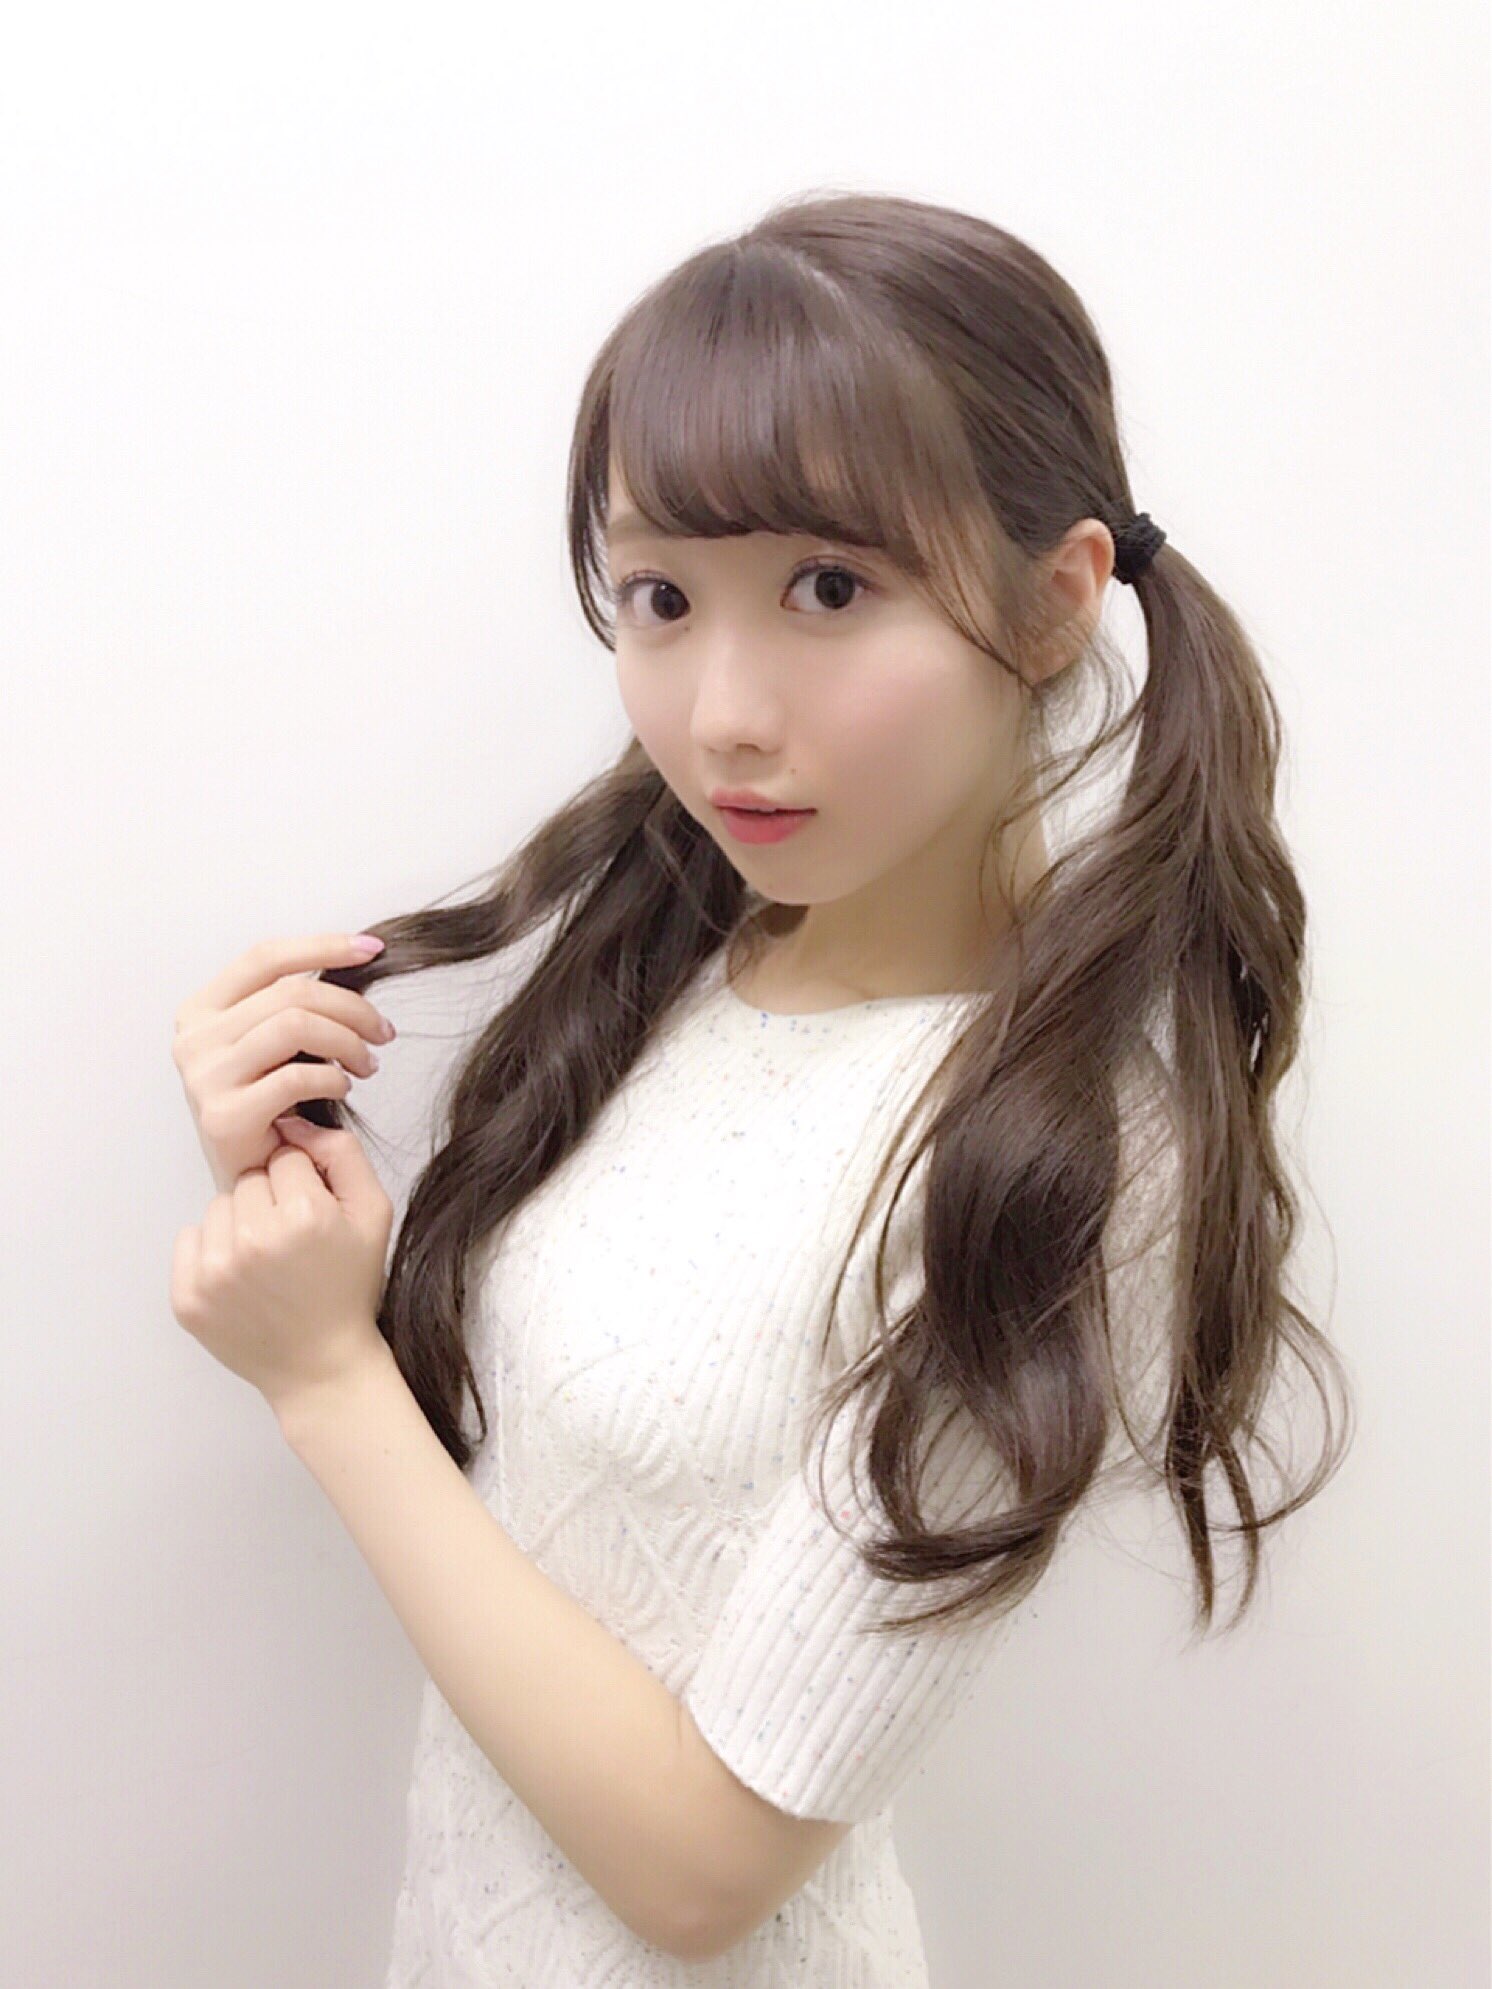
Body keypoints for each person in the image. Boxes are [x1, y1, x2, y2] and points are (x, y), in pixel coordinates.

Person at [221, 191, 1350, 1984]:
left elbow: (704, 1866)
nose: (723, 712)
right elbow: (552, 1497)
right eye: (662, 597)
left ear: (1056, 604)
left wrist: (320, 1377)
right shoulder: (684, 960)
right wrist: (299, 1188)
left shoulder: (1061, 1145)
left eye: (831, 587)